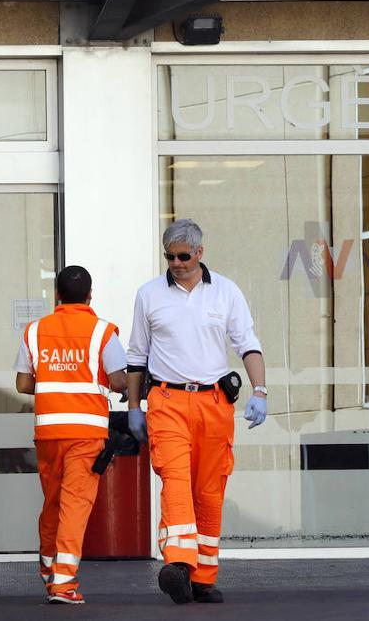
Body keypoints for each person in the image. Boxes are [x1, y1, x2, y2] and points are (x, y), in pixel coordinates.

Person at [125, 219, 267, 605]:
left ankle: (203, 577)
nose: (176, 262)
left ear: (200, 253)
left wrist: (261, 391)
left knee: (210, 489)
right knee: (175, 480)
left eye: (184, 256)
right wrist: (135, 407)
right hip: (167, 402)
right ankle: (178, 563)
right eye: (169, 256)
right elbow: (136, 356)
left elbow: (248, 344)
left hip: (214, 404)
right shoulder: (149, 294)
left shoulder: (226, 292)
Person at [14, 265, 127, 605]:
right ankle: (63, 584)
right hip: (86, 434)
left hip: (48, 434)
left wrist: (55, 383)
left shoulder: (35, 331)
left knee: (53, 502)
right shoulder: (103, 332)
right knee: (75, 505)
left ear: (58, 296)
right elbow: (119, 380)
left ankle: (50, 570)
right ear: (90, 296)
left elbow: (22, 383)